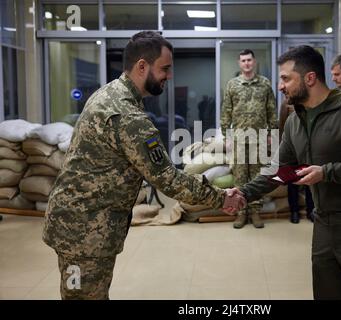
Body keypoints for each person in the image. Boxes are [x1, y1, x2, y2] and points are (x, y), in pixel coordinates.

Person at [42, 31, 245, 300]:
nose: (169, 76)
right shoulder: (128, 116)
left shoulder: (110, 93)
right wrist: (220, 198)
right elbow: (167, 179)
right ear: (141, 66)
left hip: (80, 224)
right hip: (84, 233)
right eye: (165, 68)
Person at [230, 46, 341, 299]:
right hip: (324, 225)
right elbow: (281, 171)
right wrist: (243, 193)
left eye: (285, 79)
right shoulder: (295, 121)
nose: (280, 86)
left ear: (310, 78)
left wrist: (326, 172)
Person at [221, 49, 277, 229]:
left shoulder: (265, 84)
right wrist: (225, 135)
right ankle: (241, 213)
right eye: (243, 60)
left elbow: (271, 111)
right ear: (239, 63)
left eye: (249, 60)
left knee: (257, 176)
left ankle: (255, 212)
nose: (246, 63)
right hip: (238, 138)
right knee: (239, 176)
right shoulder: (232, 85)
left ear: (254, 62)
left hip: (259, 137)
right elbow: (226, 111)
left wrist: (272, 134)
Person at [279, 99, 314, 224]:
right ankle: (294, 211)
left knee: (310, 180)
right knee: (292, 181)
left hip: (309, 146)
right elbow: (282, 125)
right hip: (292, 148)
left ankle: (311, 210)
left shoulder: (310, 100)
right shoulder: (286, 103)